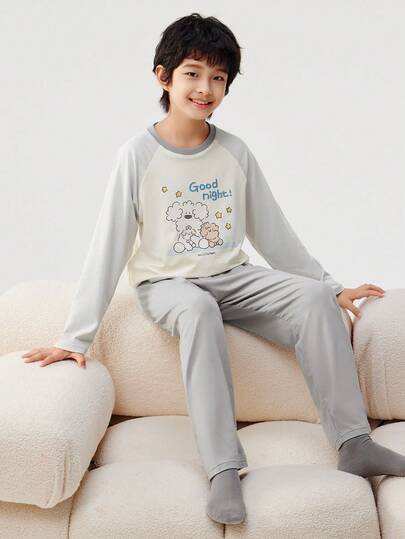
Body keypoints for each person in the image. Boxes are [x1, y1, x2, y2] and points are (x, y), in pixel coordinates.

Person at [21, 12, 405, 527]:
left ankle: (354, 442)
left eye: (218, 78)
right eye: (193, 73)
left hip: (233, 276)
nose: (205, 88)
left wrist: (328, 286)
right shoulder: (137, 155)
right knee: (198, 310)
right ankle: (223, 468)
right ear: (163, 77)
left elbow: (272, 232)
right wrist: (76, 338)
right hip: (168, 284)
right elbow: (108, 246)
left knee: (314, 301)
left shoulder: (234, 152)